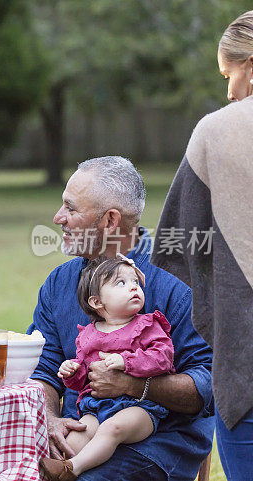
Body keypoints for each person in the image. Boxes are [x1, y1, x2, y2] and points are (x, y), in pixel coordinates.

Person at [27, 156, 213, 481]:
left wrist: (133, 384)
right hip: (79, 428)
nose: (58, 218)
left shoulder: (177, 283)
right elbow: (42, 367)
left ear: (110, 220)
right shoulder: (59, 283)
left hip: (159, 439)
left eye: (71, 209)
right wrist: (49, 418)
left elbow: (209, 385)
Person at [151, 10, 253, 481]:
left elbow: (177, 244)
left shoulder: (218, 131)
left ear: (249, 65)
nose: (229, 90)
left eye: (228, 74)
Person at [39, 256, 176, 480]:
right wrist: (72, 372)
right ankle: (58, 469)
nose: (133, 287)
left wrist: (127, 362)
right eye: (121, 283)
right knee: (78, 435)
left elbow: (164, 358)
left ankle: (73, 469)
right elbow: (85, 380)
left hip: (140, 408)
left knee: (111, 429)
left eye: (135, 282)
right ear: (96, 302)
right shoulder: (88, 334)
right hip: (96, 407)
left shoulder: (147, 325)